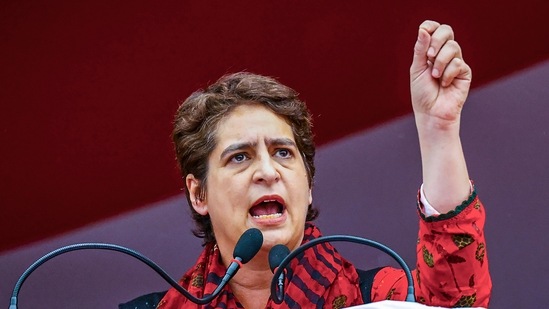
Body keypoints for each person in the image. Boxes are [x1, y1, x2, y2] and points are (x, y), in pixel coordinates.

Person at [120, 20, 492, 309]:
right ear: (198, 193)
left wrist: (438, 129)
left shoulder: (378, 298)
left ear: (308, 183)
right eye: (240, 157)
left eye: (283, 152)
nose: (268, 172)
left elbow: (456, 302)